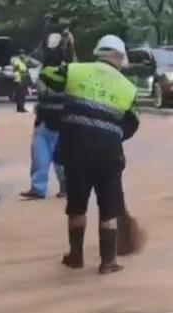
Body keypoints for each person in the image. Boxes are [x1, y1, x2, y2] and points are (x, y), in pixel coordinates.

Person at [40, 34, 139, 275]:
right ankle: (108, 262)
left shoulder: (75, 71)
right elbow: (133, 123)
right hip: (109, 156)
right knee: (108, 208)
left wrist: (56, 55)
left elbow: (47, 76)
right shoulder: (129, 88)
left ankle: (76, 257)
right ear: (119, 58)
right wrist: (112, 134)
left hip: (76, 152)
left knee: (77, 207)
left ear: (97, 52)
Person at [21, 33, 68, 200]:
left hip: (59, 121)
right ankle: (38, 188)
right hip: (45, 120)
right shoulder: (46, 71)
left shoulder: (65, 71)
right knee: (41, 155)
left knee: (59, 158)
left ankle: (63, 186)